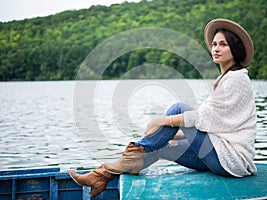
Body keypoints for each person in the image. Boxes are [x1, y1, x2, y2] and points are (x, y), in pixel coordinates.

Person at [69, 18, 257, 197]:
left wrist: (162, 121)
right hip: (219, 156)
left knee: (177, 110)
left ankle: (108, 168)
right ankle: (102, 176)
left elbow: (203, 118)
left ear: (235, 48)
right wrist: (169, 132)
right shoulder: (226, 79)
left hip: (231, 159)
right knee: (162, 146)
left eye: (223, 44)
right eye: (214, 44)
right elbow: (214, 124)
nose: (216, 48)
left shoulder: (236, 79)